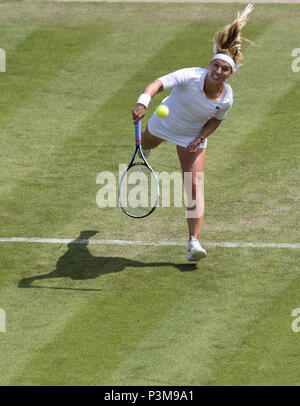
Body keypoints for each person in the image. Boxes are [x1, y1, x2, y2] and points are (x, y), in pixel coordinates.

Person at [131, 4, 254, 262]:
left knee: (194, 187)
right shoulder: (190, 76)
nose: (219, 72)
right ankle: (147, 150)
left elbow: (216, 119)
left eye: (225, 69)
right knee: (146, 146)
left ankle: (193, 242)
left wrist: (200, 136)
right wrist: (143, 101)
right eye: (216, 66)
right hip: (164, 125)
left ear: (231, 74)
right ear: (210, 65)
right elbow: (158, 84)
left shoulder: (227, 97)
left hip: (192, 137)